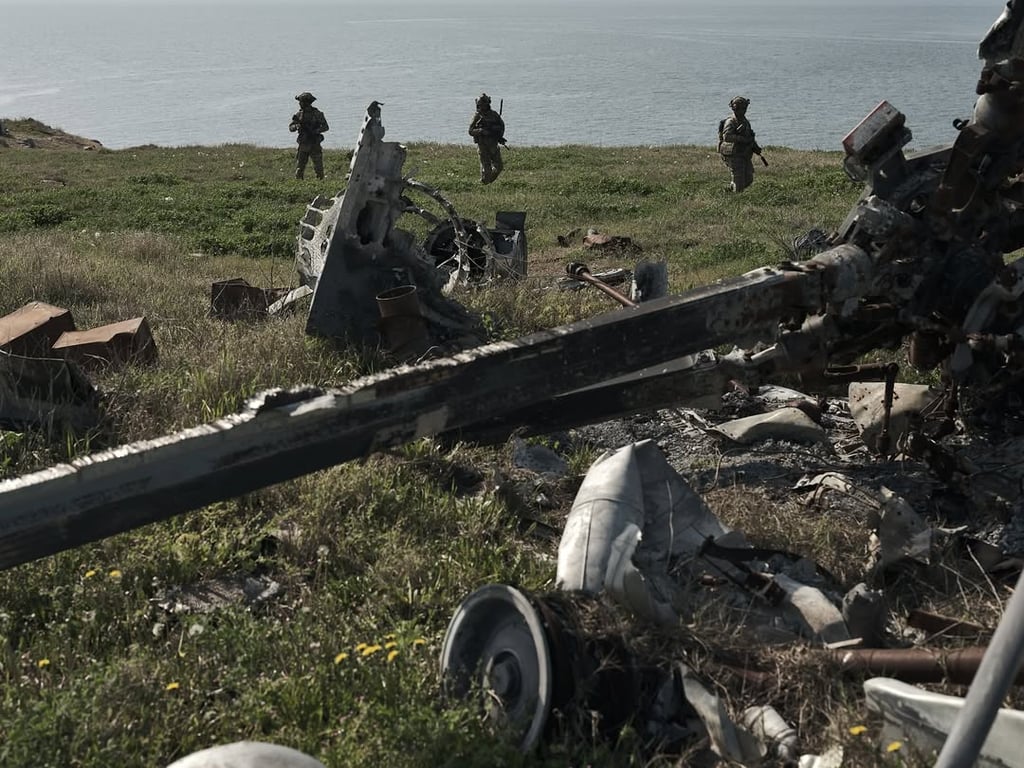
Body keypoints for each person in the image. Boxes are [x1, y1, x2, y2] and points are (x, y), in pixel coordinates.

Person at [718, 96, 762, 192]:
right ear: (734, 108)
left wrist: (755, 147)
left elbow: (749, 136)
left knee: (749, 178)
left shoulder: (745, 122)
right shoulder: (731, 122)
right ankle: (735, 199)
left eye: (743, 108)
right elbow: (727, 137)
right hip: (733, 153)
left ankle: (730, 190)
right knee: (739, 181)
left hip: (743, 153)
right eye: (739, 108)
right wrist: (742, 139)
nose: (741, 111)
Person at [289, 92, 330, 180]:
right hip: (303, 144)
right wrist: (296, 126)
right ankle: (299, 184)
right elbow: (291, 127)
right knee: (300, 168)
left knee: (319, 168)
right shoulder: (298, 115)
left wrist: (315, 131)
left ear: (306, 102)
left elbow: (326, 127)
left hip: (314, 144)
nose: (299, 104)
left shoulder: (317, 114)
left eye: (301, 102)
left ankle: (320, 184)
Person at [468, 93, 505, 184]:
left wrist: (499, 135)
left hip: (493, 145)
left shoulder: (494, 115)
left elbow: (501, 126)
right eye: (480, 105)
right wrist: (481, 131)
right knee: (486, 169)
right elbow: (470, 131)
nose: (482, 106)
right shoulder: (477, 116)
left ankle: (485, 183)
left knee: (499, 167)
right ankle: (484, 183)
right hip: (483, 145)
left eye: (484, 104)